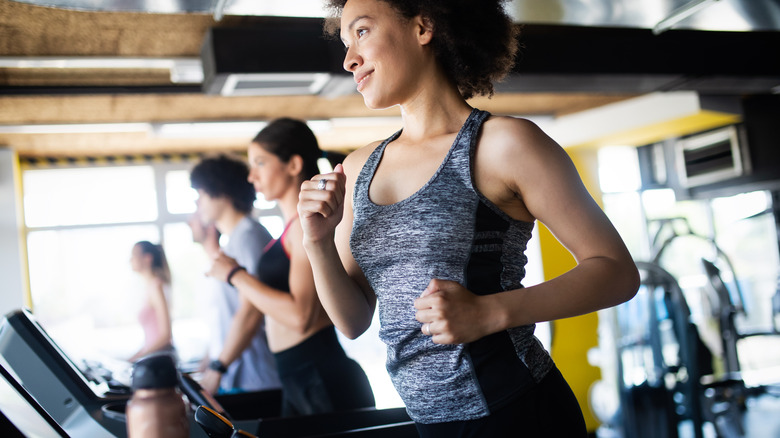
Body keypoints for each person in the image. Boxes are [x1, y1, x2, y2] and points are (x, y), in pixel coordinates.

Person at [296, 0, 641, 436]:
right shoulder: (360, 167)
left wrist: (489, 313)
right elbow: (352, 320)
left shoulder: (504, 144)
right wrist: (317, 242)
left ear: (423, 27)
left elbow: (617, 272)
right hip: (430, 423)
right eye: (346, 43)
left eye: (362, 32)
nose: (349, 59)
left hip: (519, 412)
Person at [206, 118, 374, 417]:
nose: (251, 175)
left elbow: (301, 317)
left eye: (260, 162)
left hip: (318, 376)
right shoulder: (288, 231)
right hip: (296, 375)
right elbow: (255, 308)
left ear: (294, 165)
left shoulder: (305, 230)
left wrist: (235, 275)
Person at [189, 155, 281, 395]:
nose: (199, 204)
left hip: (256, 379)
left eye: (202, 195)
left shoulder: (248, 236)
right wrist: (210, 363)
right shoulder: (234, 241)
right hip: (238, 376)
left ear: (221, 192)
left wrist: (218, 367)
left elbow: (251, 310)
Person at [128, 241, 174, 363]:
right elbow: (151, 339)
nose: (130, 260)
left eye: (134, 255)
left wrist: (136, 359)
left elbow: (166, 336)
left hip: (160, 362)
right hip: (153, 357)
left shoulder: (156, 286)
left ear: (147, 258)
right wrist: (132, 358)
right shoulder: (149, 287)